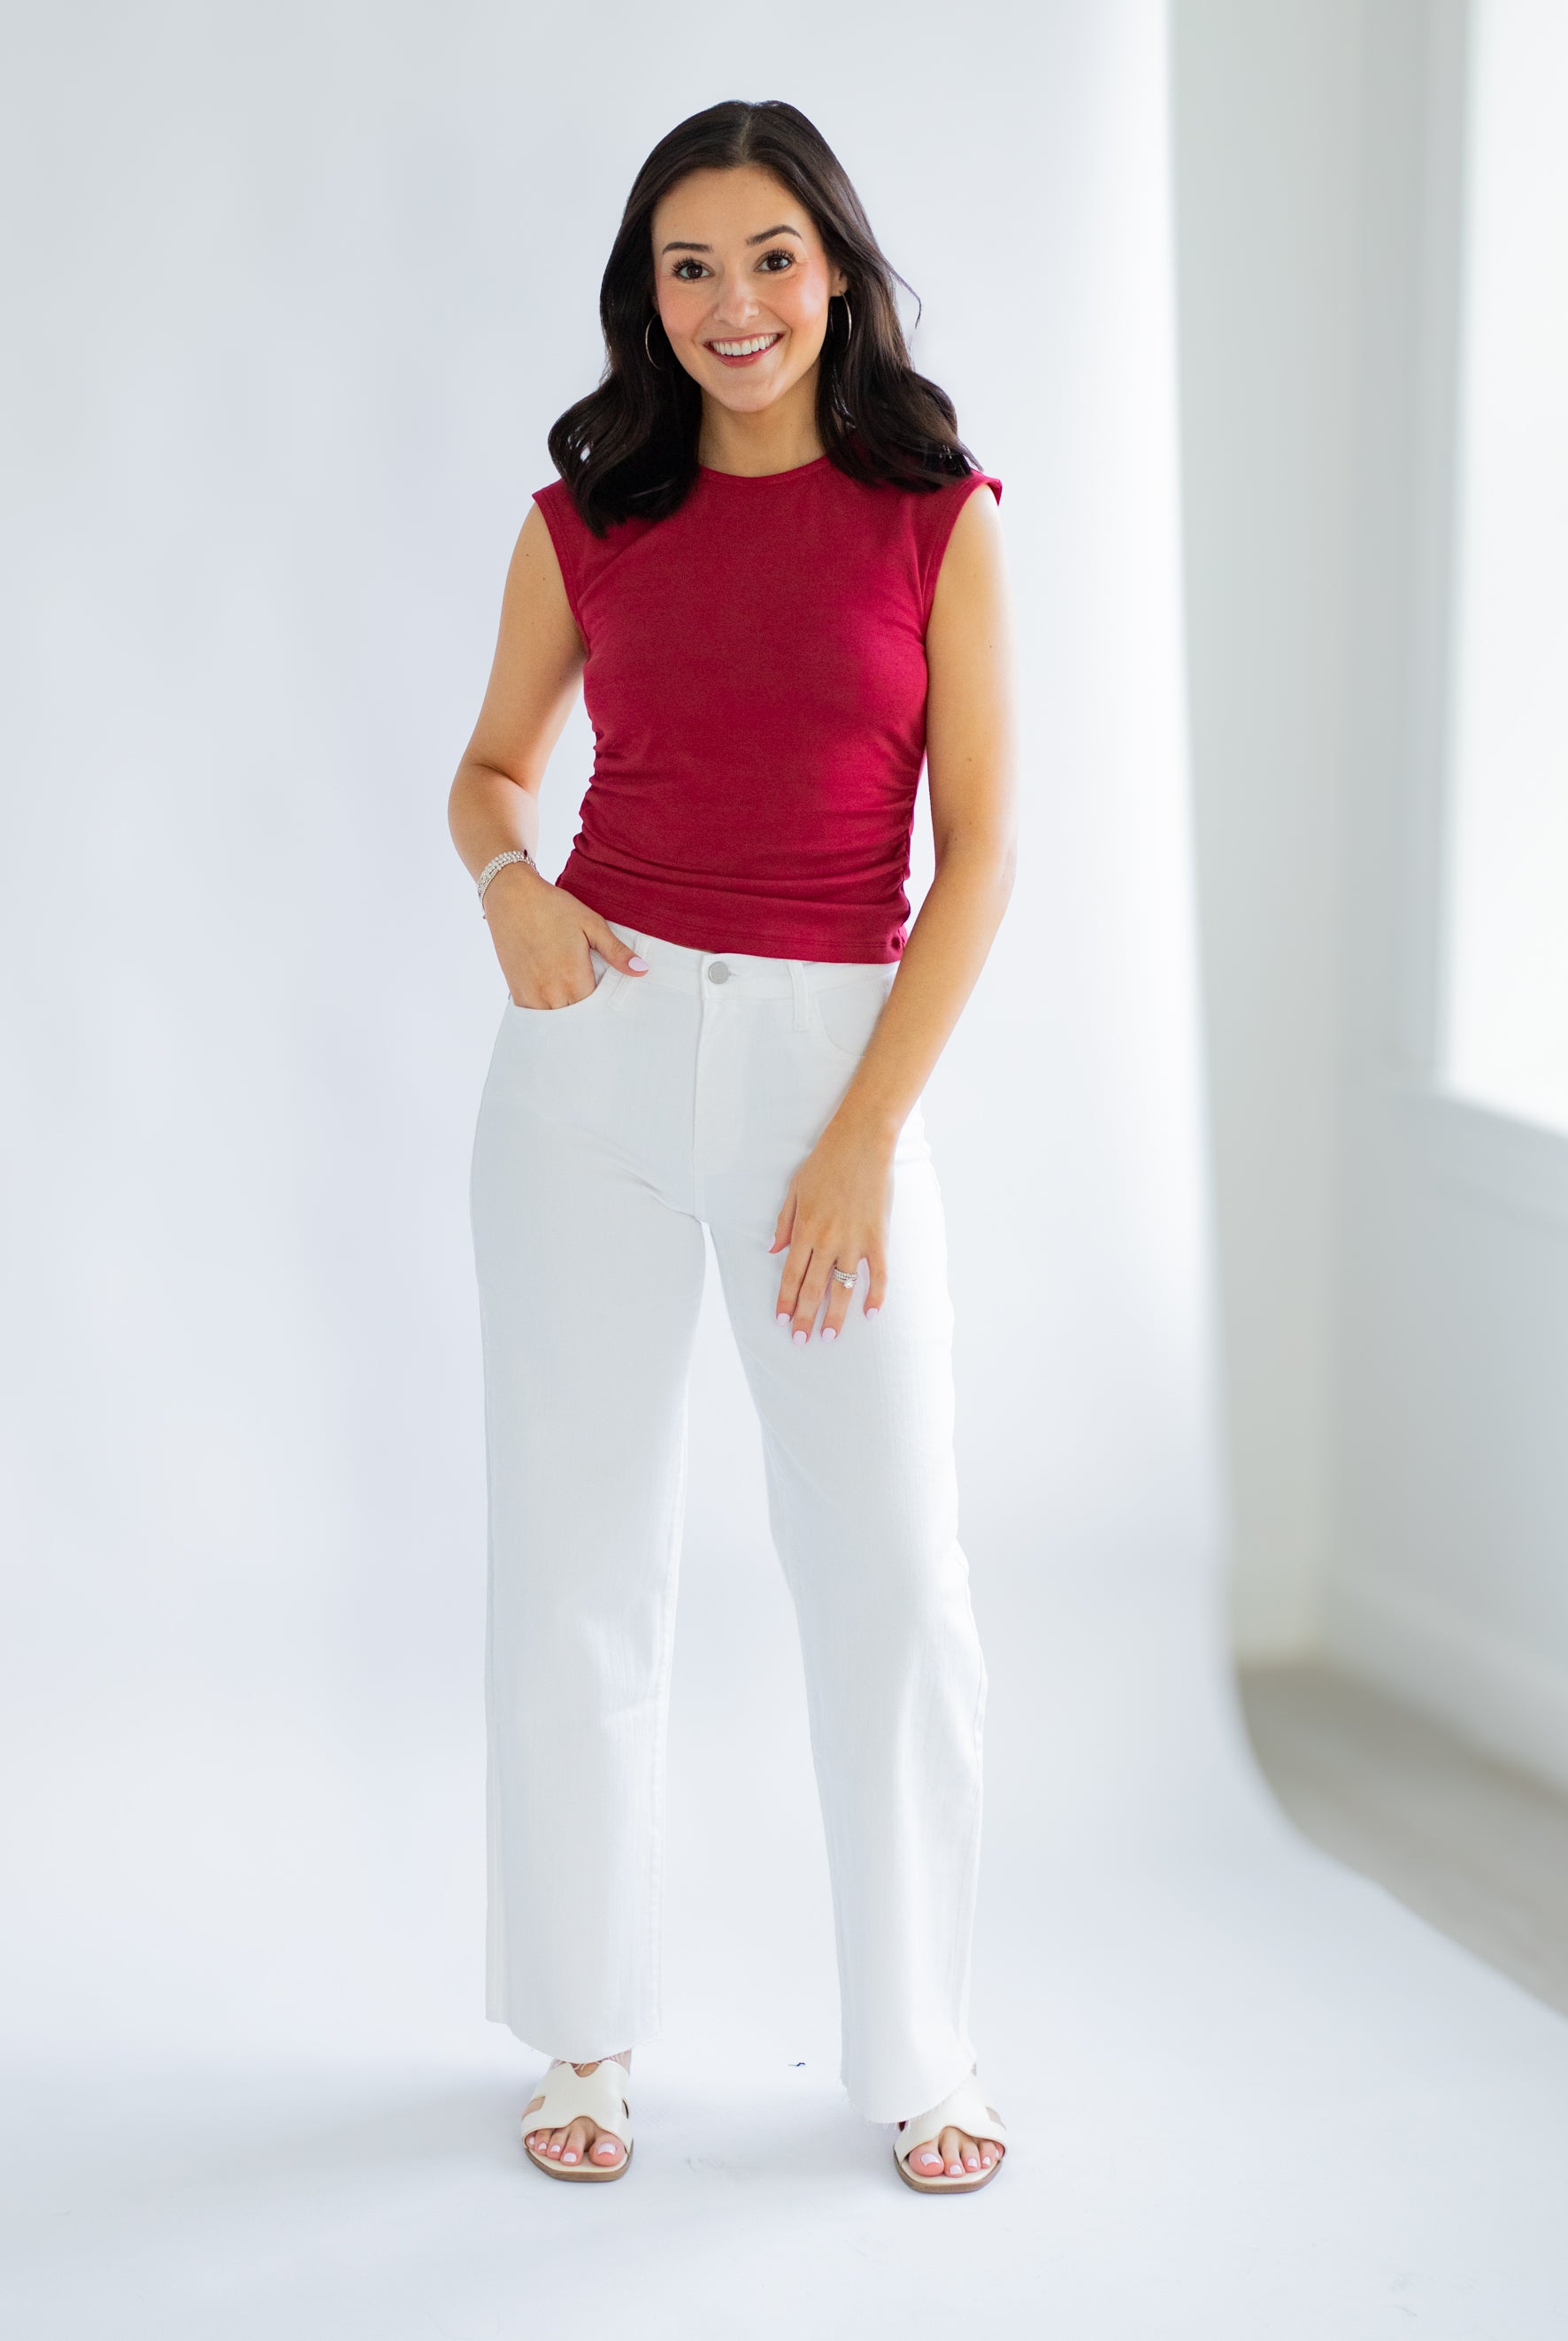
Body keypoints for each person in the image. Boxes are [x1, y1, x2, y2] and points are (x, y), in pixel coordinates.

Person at [448, 97, 1017, 2194]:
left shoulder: (937, 517)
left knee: (889, 1569)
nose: (734, 304)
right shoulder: (586, 511)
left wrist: (867, 1133)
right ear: (647, 293)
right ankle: (580, 2037)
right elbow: (493, 770)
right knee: (578, 1555)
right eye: (690, 266)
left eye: (771, 256)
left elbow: (981, 859)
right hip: (589, 1063)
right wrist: (508, 881)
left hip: (826, 1073)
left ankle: (924, 2057)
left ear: (838, 270)